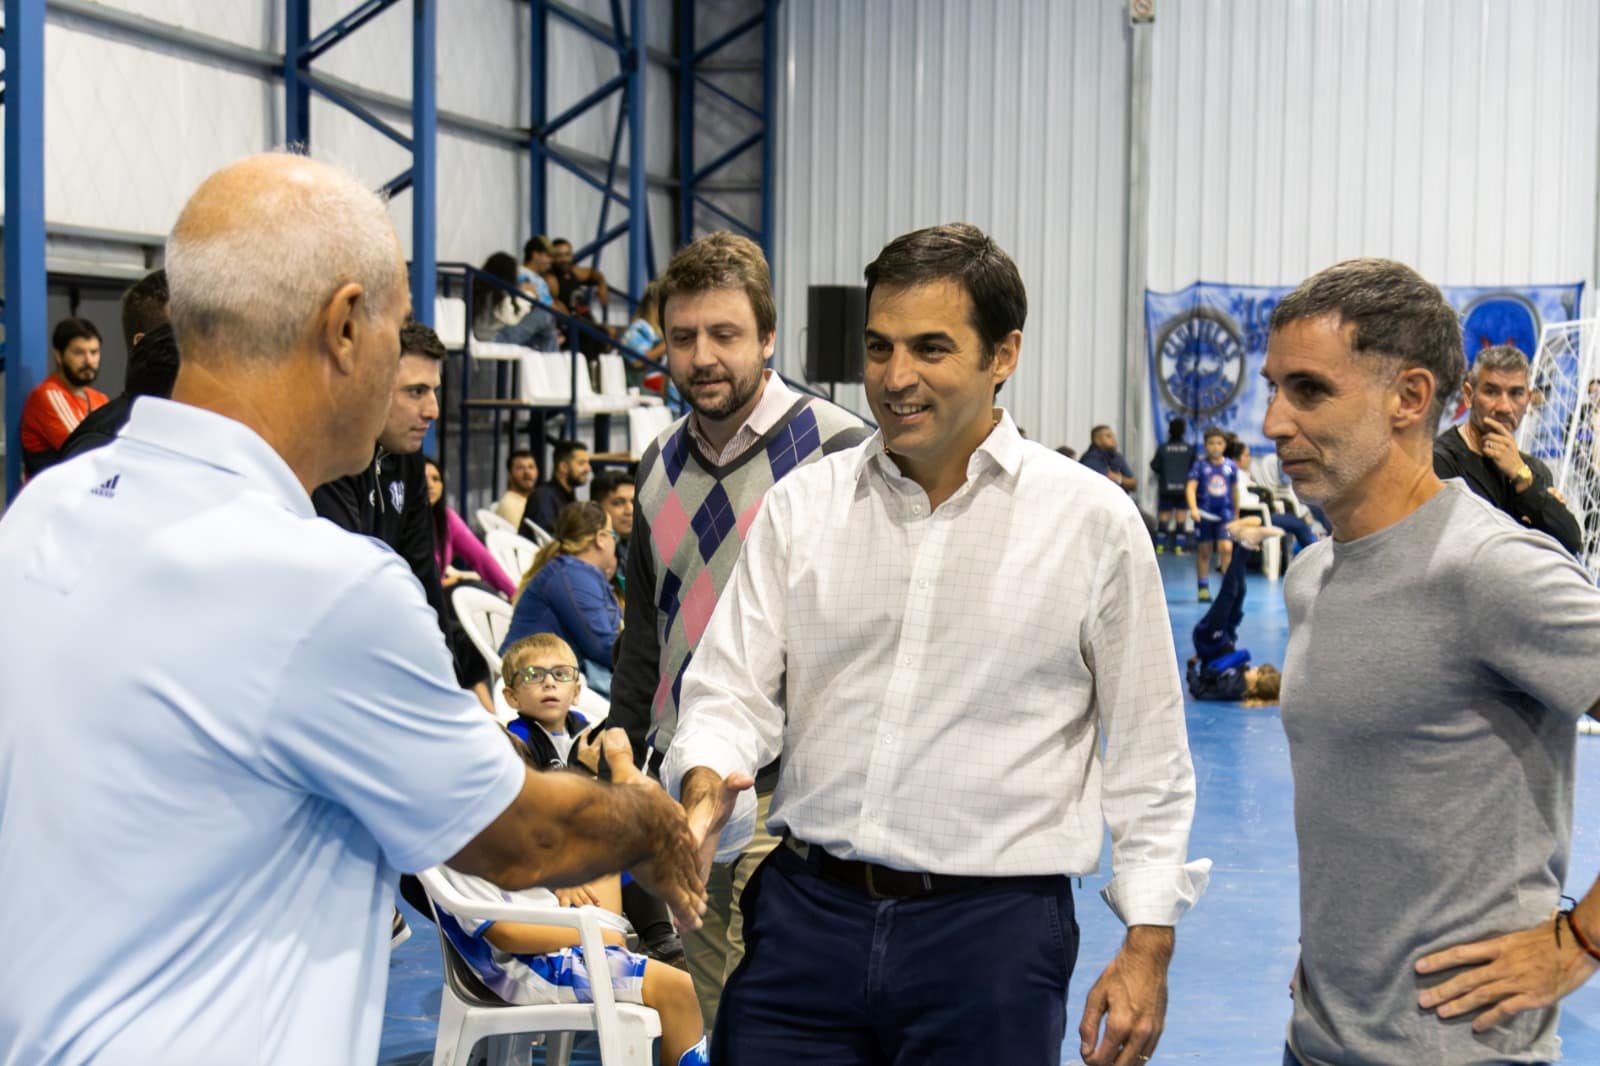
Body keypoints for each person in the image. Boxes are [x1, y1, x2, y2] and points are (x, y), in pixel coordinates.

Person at [0, 152, 705, 1064]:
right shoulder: (318, 583)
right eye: (396, 327)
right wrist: (648, 820)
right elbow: (527, 838)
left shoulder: (47, 512)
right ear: (344, 326)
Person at [663, 222, 1207, 1066]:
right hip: (806, 920)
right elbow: (727, 693)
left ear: (1004, 354)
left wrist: (1148, 940)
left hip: (990, 939)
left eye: (930, 348)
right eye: (878, 348)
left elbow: (1148, 755)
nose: (895, 378)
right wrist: (706, 787)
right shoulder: (806, 508)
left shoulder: (1089, 524)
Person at [1260, 257, 1600, 1066]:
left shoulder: (1493, 570)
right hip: (1316, 1043)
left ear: (1410, 398)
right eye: (1273, 387)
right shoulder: (1314, 577)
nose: (1274, 421)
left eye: (1308, 391)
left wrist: (1582, 941)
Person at [607, 230, 871, 1033]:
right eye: (683, 337)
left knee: (795, 1015)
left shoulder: (844, 451)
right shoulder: (655, 464)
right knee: (726, 1012)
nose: (702, 357)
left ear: (767, 336)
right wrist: (623, 747)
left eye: (725, 334)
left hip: (800, 799)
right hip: (689, 790)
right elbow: (644, 638)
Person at [435, 707, 708, 1066]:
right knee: (680, 991)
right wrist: (580, 934)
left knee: (606, 844)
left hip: (558, 946)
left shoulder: (496, 833)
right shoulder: (456, 843)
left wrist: (566, 889)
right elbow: (506, 935)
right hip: (523, 969)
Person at [1433, 343, 1582, 554]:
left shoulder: (1532, 470)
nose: (1504, 407)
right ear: (1468, 395)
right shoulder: (1440, 461)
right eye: (1491, 391)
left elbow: (1571, 542)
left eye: (1516, 394)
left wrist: (1523, 480)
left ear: (1528, 400)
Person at [503, 501, 622, 692]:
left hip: (547, 675)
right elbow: (604, 649)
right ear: (601, 538)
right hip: (533, 681)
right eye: (613, 535)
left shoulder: (576, 572)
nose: (615, 544)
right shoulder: (573, 577)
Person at [1185, 519, 1284, 702]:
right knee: (1240, 592)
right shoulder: (1242, 677)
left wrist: (1191, 668)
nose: (1255, 669)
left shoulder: (1231, 689)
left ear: (1256, 686)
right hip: (1225, 637)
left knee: (1229, 593)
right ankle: (1239, 536)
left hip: (1209, 639)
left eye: (1258, 673)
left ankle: (1246, 544)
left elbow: (1200, 691)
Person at [18, 317, 109, 475]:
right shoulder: (46, 395)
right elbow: (85, 452)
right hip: (50, 497)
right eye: (79, 352)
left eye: (94, 352)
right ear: (59, 356)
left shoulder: (100, 399)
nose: (89, 360)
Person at [425, 457, 516, 599]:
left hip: (437, 597)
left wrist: (514, 595)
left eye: (436, 479)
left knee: (486, 593)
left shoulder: (447, 518)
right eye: (423, 479)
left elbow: (481, 558)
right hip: (413, 601)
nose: (430, 485)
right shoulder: (402, 519)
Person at [1227, 439, 1318, 559]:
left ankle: (1298, 555)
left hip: (1260, 514)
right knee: (1299, 524)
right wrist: (1264, 500)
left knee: (1295, 516)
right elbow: (1243, 501)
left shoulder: (1241, 474)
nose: (1250, 459)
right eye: (1246, 455)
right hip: (1255, 516)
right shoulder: (1236, 476)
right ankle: (1315, 557)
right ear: (1235, 459)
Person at [1186, 426, 1238, 601]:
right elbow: (1191, 488)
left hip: (1225, 514)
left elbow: (1234, 491)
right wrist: (1193, 508)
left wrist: (1236, 514)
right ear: (1205, 445)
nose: (1215, 447)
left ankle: (1227, 589)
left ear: (1224, 445)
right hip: (1204, 514)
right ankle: (1203, 588)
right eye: (1211, 443)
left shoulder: (1231, 466)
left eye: (1219, 443)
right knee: (1205, 552)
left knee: (1226, 548)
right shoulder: (1199, 466)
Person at [474, 250, 559, 351]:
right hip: (494, 338)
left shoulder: (484, 288)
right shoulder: (495, 293)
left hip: (490, 336)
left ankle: (551, 353)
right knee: (545, 315)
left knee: (542, 337)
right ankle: (552, 358)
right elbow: (510, 319)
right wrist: (528, 295)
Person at [521, 438, 592, 537]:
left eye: (588, 463)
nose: (588, 468)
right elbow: (545, 541)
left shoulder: (569, 499)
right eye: (581, 463)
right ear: (563, 467)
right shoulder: (544, 497)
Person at [1151, 417, 1196, 554]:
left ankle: (1159, 547)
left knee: (1163, 519)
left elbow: (1154, 465)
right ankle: (1179, 548)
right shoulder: (1189, 449)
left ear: (1169, 430)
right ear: (1184, 431)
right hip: (1183, 489)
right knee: (1181, 519)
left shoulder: (1163, 448)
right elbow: (1194, 468)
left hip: (1166, 488)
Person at [1082, 423, 1138, 491]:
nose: (1113, 439)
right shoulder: (1091, 459)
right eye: (1108, 436)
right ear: (1097, 440)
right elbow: (1104, 479)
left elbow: (1133, 483)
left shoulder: (1117, 457)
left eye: (1113, 436)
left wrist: (1118, 479)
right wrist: (1122, 480)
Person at [496, 449, 541, 526]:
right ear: (509, 475)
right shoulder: (509, 505)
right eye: (520, 468)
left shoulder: (534, 500)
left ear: (537, 472)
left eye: (531, 467)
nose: (527, 472)